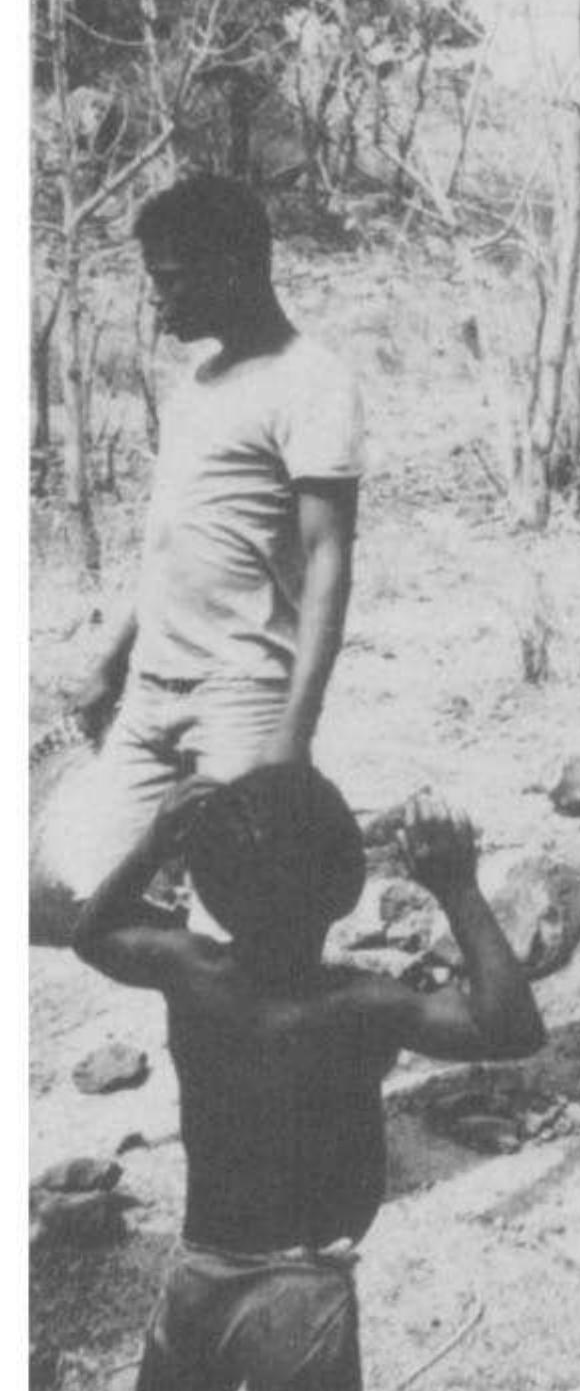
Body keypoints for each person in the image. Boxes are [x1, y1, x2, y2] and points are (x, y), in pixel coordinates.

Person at [71, 764, 547, 1391]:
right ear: (346, 886)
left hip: (199, 1273)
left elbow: (94, 934)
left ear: (205, 881)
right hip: (303, 1295)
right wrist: (457, 887)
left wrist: (155, 839)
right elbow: (512, 1027)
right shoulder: (361, 1004)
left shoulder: (189, 970)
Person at [68, 172, 364, 913]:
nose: (157, 299)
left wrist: (294, 735)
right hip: (151, 688)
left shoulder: (312, 382)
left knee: (242, 913)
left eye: (168, 280)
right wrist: (113, 662)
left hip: (243, 691)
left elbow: (329, 559)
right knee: (92, 890)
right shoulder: (195, 385)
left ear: (230, 269)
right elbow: (175, 549)